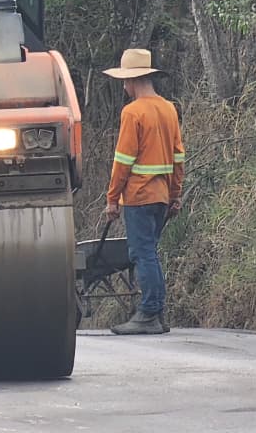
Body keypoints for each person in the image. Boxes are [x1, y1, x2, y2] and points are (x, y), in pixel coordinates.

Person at [102, 48, 185, 335]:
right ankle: (156, 314)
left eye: (124, 81)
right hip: (162, 196)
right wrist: (175, 195)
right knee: (151, 252)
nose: (124, 87)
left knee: (143, 254)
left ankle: (149, 312)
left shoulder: (133, 112)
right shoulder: (168, 109)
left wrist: (112, 199)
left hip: (138, 196)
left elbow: (123, 161)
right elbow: (178, 157)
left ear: (132, 81)